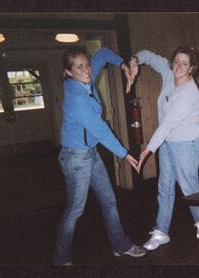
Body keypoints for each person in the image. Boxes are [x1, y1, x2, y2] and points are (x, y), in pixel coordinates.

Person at [53, 46, 146, 266]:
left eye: (87, 64)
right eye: (79, 66)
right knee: (75, 210)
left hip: (91, 154)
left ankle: (120, 246)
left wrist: (123, 66)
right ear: (68, 72)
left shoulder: (87, 77)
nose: (87, 70)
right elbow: (100, 129)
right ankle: (60, 258)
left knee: (109, 201)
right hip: (75, 158)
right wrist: (124, 154)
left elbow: (104, 53)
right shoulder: (76, 98)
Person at [129, 46, 199, 251]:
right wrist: (135, 60)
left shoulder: (189, 93)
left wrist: (147, 150)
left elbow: (167, 124)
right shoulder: (169, 72)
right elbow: (149, 55)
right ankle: (162, 231)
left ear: (191, 69)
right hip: (168, 141)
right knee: (164, 186)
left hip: (186, 143)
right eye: (176, 61)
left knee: (189, 187)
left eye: (185, 64)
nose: (178, 66)